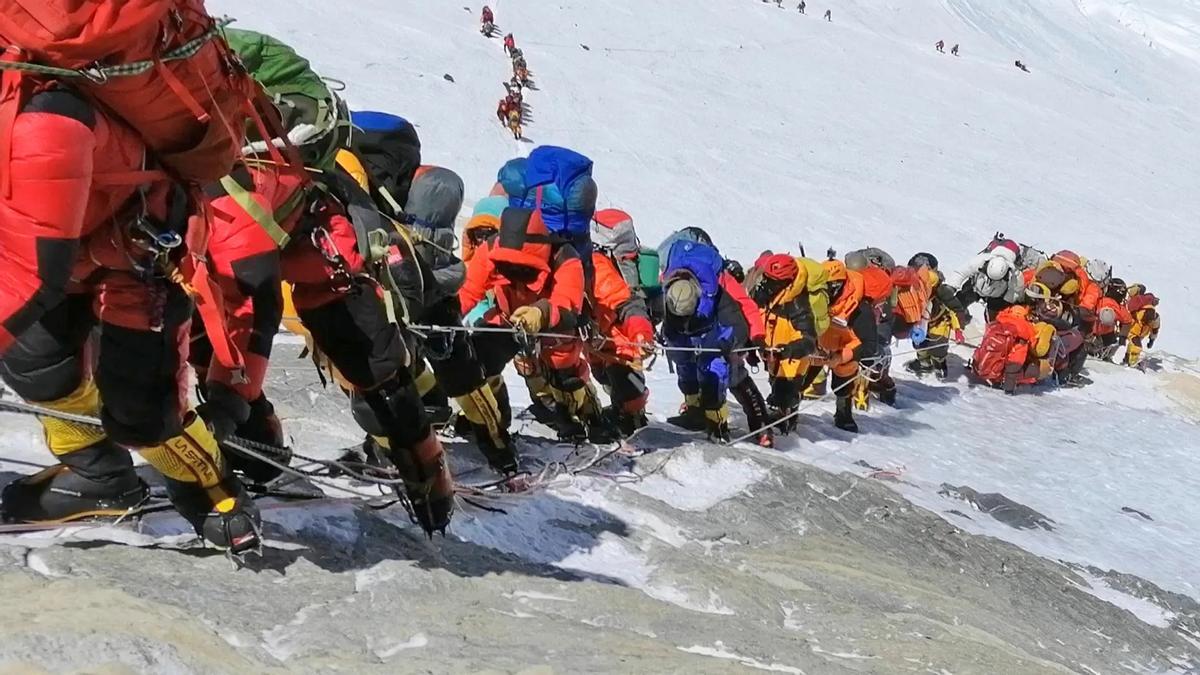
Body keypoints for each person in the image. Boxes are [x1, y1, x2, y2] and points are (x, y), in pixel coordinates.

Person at [0, 6, 265, 550]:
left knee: (142, 410)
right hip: (65, 239)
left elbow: (28, 276)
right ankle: (99, 478)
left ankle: (215, 496)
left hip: (139, 249)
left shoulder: (45, 117)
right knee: (39, 370)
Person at [459, 207, 614, 443]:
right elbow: (468, 291)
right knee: (484, 356)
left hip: (556, 326)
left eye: (521, 267)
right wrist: (447, 316)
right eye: (507, 265)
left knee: (565, 374)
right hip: (510, 319)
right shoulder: (489, 250)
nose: (514, 272)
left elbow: (567, 305)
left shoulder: (565, 258)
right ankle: (494, 417)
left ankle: (588, 415)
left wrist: (540, 313)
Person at [660, 241, 751, 442]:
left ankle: (718, 425)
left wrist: (726, 346)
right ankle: (693, 412)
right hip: (680, 336)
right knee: (684, 368)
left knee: (714, 377)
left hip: (712, 339)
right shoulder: (667, 290)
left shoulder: (717, 295)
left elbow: (737, 326)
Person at [748, 253, 834, 432]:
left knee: (784, 393)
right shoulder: (765, 292)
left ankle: (784, 427)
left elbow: (809, 340)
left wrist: (788, 350)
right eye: (767, 277)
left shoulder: (798, 304)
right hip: (771, 350)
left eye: (773, 280)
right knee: (775, 384)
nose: (767, 283)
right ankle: (785, 423)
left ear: (786, 282)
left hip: (792, 357)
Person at [845, 248, 898, 406]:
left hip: (853, 325)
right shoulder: (885, 285)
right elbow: (888, 314)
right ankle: (880, 384)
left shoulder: (852, 279)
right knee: (878, 350)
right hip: (874, 325)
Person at [906, 268, 967, 379]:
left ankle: (940, 364)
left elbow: (956, 310)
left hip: (939, 322)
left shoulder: (943, 292)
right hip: (921, 323)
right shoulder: (915, 290)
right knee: (919, 343)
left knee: (938, 347)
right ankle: (924, 363)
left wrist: (958, 330)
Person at [946, 238, 1025, 321]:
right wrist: (951, 287)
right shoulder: (981, 260)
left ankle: (991, 329)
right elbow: (961, 272)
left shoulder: (1014, 275)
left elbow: (1016, 291)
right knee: (959, 302)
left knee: (993, 319)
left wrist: (1005, 302)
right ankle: (959, 316)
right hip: (976, 288)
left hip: (997, 298)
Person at [1122, 285, 1160, 367]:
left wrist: (1151, 340)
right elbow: (1126, 323)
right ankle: (1132, 363)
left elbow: (1155, 330)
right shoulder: (1135, 315)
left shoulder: (1154, 318)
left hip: (1140, 333)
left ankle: (1127, 359)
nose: (1148, 322)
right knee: (1137, 346)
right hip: (1132, 332)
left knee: (1132, 345)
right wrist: (1122, 335)